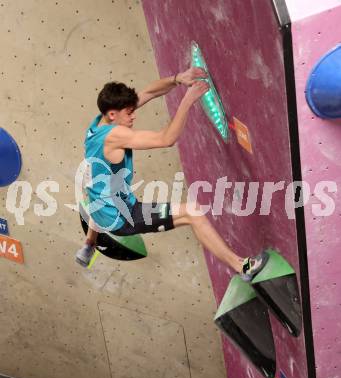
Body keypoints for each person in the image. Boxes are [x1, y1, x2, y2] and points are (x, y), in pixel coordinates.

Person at [76, 67, 268, 281]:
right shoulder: (116, 135)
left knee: (95, 192)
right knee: (192, 213)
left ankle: (88, 244)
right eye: (130, 112)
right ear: (113, 114)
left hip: (100, 205)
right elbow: (165, 139)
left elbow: (148, 93)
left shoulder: (97, 125)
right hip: (123, 218)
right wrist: (187, 100)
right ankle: (243, 267)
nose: (134, 115)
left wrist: (179, 79)